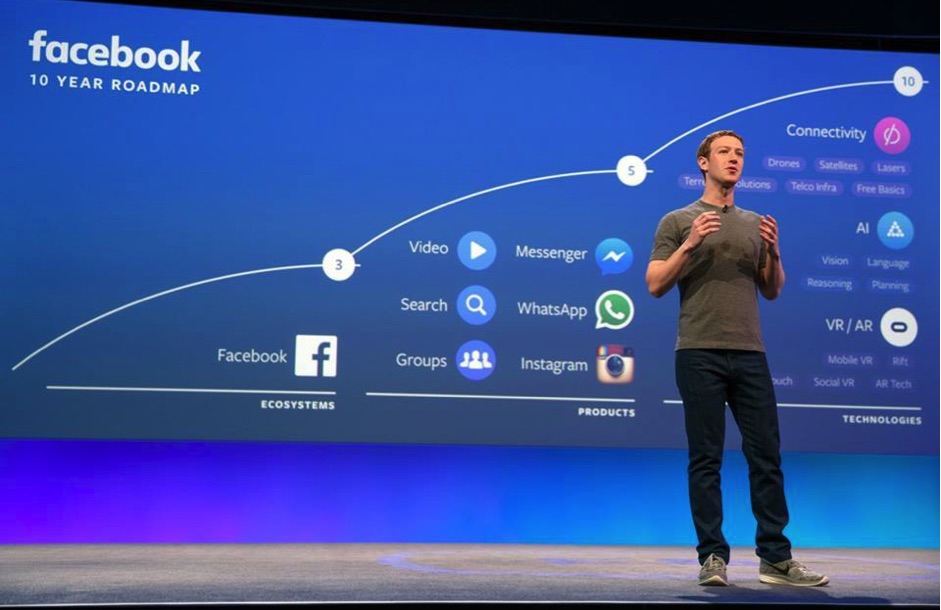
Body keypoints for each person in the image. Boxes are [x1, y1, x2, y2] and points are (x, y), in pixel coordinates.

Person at [645, 130, 829, 587]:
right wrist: (689, 245)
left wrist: (776, 252)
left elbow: (772, 289)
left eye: (740, 153)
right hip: (698, 352)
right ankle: (712, 558)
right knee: (705, 458)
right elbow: (654, 284)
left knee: (765, 455)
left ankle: (776, 559)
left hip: (750, 352)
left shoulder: (753, 223)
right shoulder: (677, 219)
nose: (734, 159)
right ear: (703, 163)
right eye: (724, 152)